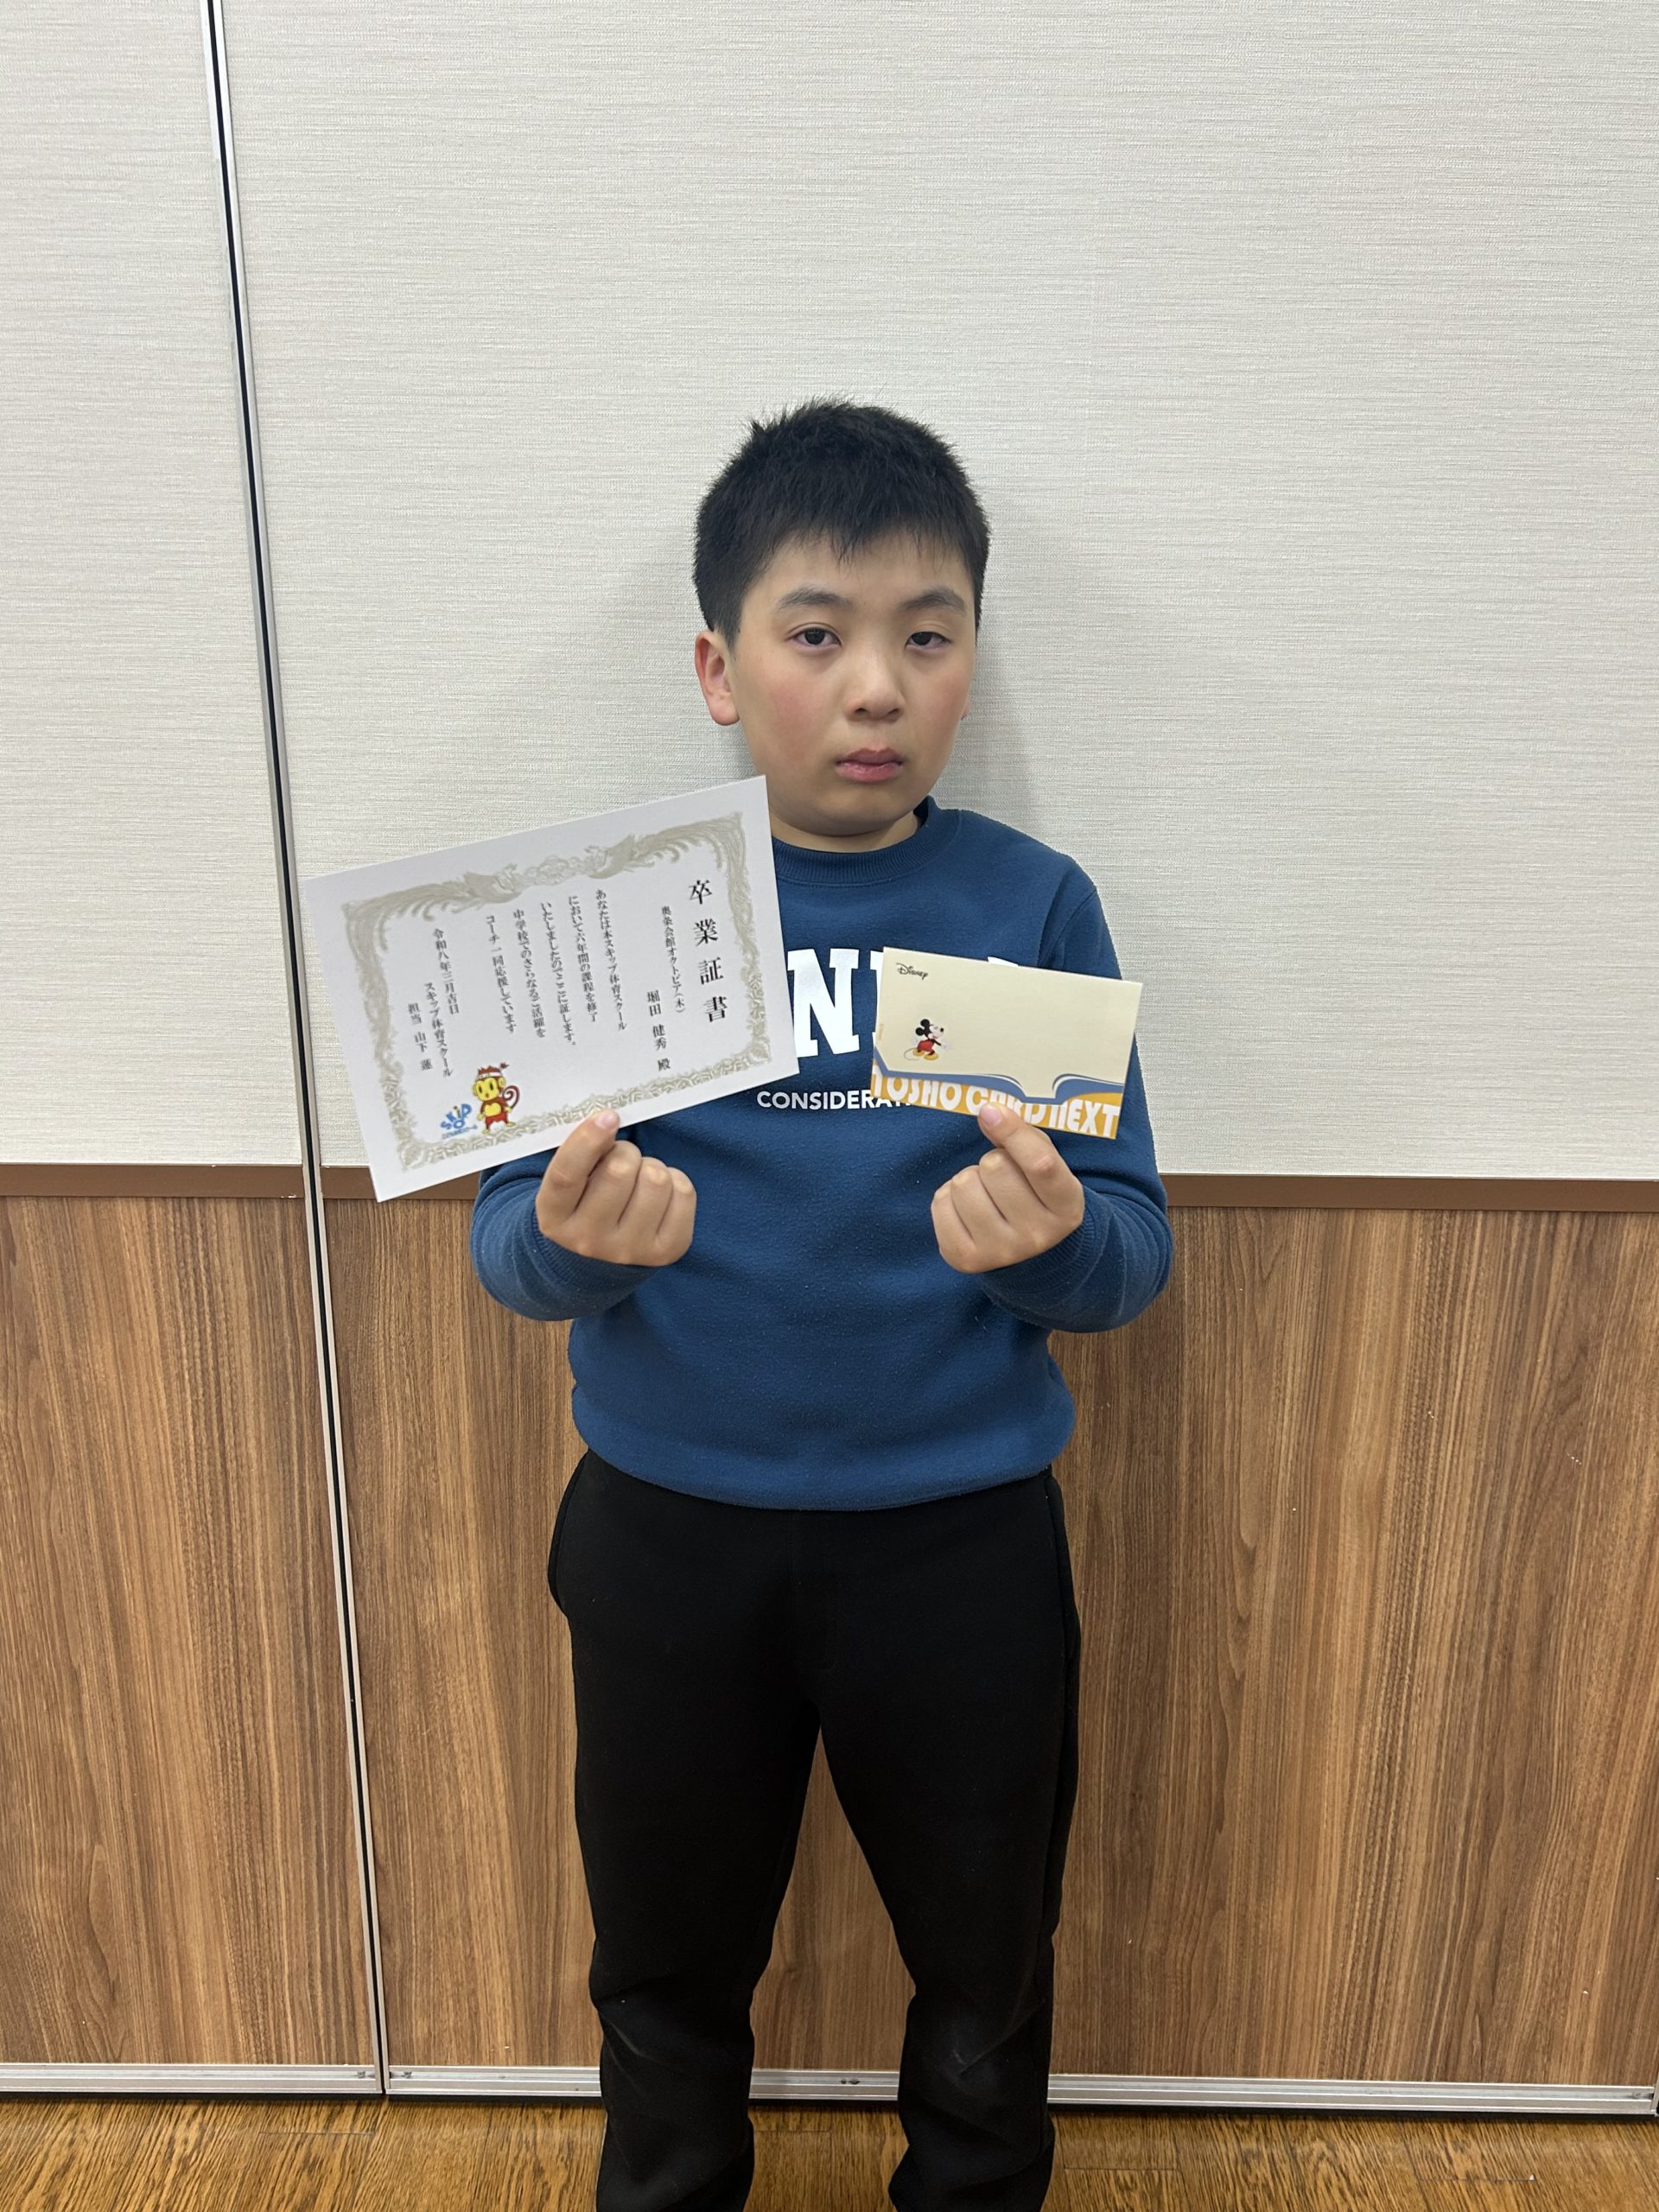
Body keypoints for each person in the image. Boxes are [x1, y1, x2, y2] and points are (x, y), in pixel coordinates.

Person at [470, 397, 1173, 2212]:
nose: (877, 687)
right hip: (665, 1532)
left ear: (970, 661)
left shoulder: (1022, 906)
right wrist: (581, 1241)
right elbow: (507, 1244)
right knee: (662, 1974)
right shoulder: (625, 910)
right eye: (818, 634)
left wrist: (1043, 1244)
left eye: (928, 636)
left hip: (962, 1541)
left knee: (986, 1979)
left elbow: (1127, 1250)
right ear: (720, 668)